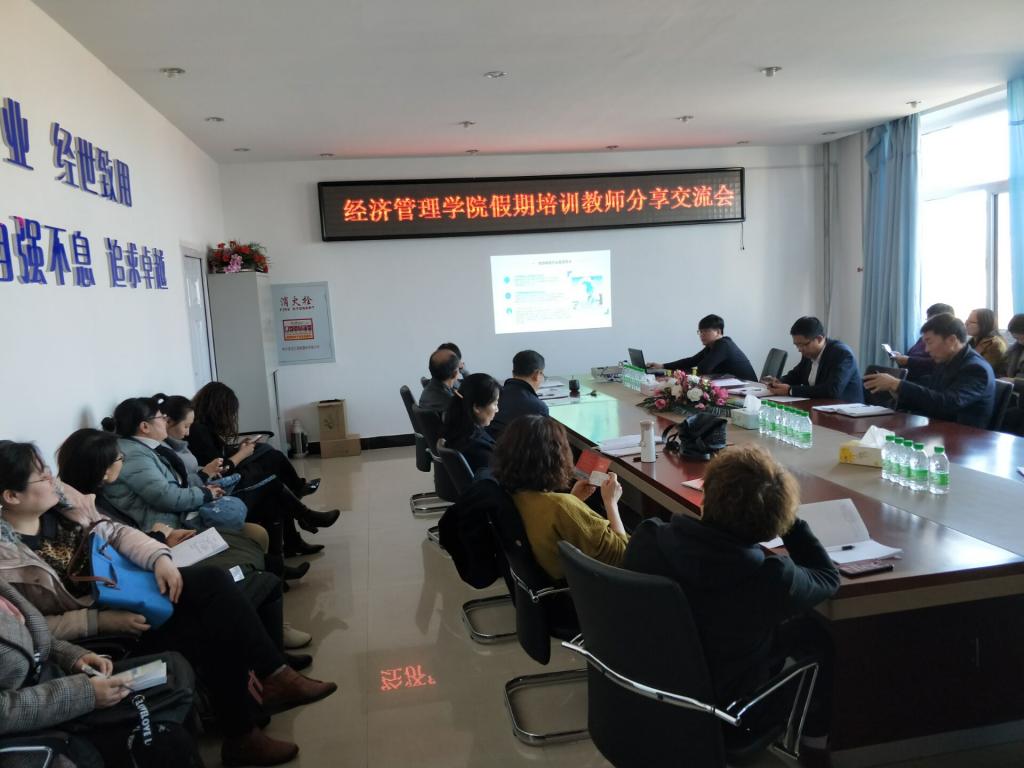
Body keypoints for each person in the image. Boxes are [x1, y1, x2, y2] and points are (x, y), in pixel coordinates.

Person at [0, 440, 338, 765]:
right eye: (42, 475)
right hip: (96, 630)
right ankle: (246, 727)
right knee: (209, 623)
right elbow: (30, 629)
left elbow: (116, 532)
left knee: (212, 584)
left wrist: (159, 558)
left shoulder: (65, 508)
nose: (53, 479)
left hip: (127, 593)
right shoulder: (8, 560)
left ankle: (270, 680)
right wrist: (99, 622)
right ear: (12, 496)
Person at [622, 445, 839, 738]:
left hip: (642, 693)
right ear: (772, 525)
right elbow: (827, 577)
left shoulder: (648, 539)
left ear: (706, 496)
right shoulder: (771, 579)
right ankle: (815, 744)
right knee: (813, 633)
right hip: (726, 718)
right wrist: (788, 519)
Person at [56, 427, 314, 658]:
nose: (123, 460)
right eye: (118, 458)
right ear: (103, 470)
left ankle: (270, 635)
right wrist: (160, 538)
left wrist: (162, 536)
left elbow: (128, 531)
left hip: (158, 546)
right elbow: (116, 551)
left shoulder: (99, 494)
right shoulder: (87, 508)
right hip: (148, 568)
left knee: (255, 541)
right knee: (244, 566)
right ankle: (266, 643)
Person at [0, 576, 204, 767]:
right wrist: (84, 694)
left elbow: (35, 633)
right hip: (35, 721)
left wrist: (71, 655)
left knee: (175, 671)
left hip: (56, 680)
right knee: (168, 743)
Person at [189, 382, 338, 557]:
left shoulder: (203, 429)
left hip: (225, 480)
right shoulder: (198, 431)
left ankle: (298, 521)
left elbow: (219, 457)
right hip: (221, 487)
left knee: (268, 456)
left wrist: (240, 449)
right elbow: (220, 470)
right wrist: (242, 454)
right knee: (272, 474)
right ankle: (301, 512)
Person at [491, 415, 627, 580]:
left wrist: (574, 499)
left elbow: (550, 524)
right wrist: (611, 503)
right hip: (598, 584)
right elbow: (622, 555)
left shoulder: (513, 494)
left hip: (553, 577)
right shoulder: (561, 506)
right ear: (556, 458)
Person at [864, 313, 995, 429]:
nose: (926, 350)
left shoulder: (976, 369)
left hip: (964, 437)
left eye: (929, 342)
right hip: (938, 429)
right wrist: (897, 392)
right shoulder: (946, 361)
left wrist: (897, 384)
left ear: (952, 340)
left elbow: (946, 404)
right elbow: (929, 396)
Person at [766, 316, 862, 402]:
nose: (800, 349)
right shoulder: (809, 352)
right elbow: (797, 374)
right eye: (797, 345)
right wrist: (779, 381)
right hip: (819, 406)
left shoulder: (842, 354)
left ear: (819, 339)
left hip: (845, 410)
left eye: (803, 344)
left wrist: (791, 390)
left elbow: (832, 390)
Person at [650, 314, 757, 380]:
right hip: (734, 387)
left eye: (705, 331)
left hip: (749, 389)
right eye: (700, 332)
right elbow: (691, 361)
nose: (701, 335)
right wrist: (662, 366)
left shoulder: (723, 345)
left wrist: (673, 375)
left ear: (718, 331)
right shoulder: (712, 346)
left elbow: (703, 369)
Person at [441, 373, 501, 474]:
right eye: (495, 404)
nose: (497, 410)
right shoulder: (478, 448)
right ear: (476, 407)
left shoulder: (456, 427)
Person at [487, 350, 549, 438]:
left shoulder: (494, 395)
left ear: (513, 373)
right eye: (542, 375)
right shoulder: (538, 407)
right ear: (536, 374)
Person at [890, 302, 954, 381]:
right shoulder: (923, 338)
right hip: (906, 377)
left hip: (923, 381)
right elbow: (909, 356)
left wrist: (908, 360)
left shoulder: (946, 341)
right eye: (927, 320)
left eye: (932, 320)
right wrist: (900, 357)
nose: (928, 324)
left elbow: (936, 363)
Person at [966, 308, 1007, 376]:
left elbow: (980, 370)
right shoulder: (973, 340)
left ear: (984, 324)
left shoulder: (995, 344)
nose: (966, 324)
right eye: (967, 320)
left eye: (971, 322)